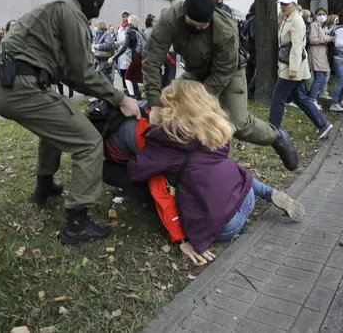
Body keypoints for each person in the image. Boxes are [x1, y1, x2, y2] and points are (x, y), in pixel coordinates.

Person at [0, 0, 142, 244]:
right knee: (89, 142)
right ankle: (76, 222)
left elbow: (69, 74)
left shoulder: (55, 8)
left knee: (57, 126)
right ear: (92, 3)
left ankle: (44, 185)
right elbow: (82, 74)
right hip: (23, 86)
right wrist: (120, 98)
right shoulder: (71, 14)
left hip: (3, 86)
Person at [127, 81, 305, 261]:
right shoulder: (214, 129)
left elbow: (136, 170)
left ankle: (263, 193)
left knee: (210, 176)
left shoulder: (168, 141)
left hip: (224, 227)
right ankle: (269, 191)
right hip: (246, 197)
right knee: (230, 168)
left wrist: (148, 136)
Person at [142, 0, 299, 171]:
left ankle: (276, 137)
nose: (199, 29)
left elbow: (222, 72)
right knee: (171, 101)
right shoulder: (170, 19)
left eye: (203, 26)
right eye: (193, 25)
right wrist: (154, 103)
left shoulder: (225, 30)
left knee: (239, 125)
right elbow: (152, 58)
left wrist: (199, 99)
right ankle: (183, 157)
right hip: (196, 69)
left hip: (229, 71)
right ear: (184, 14)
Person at [269, 0, 334, 140]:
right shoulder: (288, 18)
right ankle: (322, 124)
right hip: (292, 64)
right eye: (281, 4)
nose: (282, 6)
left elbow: (297, 47)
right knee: (300, 97)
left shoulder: (296, 21)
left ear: (294, 5)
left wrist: (293, 68)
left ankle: (273, 130)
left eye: (285, 4)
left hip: (292, 66)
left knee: (278, 97)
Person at [307, 8, 333, 109]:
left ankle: (315, 96)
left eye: (324, 14)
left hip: (322, 54)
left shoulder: (323, 26)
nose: (322, 15)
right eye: (319, 14)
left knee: (323, 76)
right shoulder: (314, 25)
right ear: (316, 15)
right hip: (316, 54)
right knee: (318, 78)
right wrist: (327, 39)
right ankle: (312, 99)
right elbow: (312, 40)